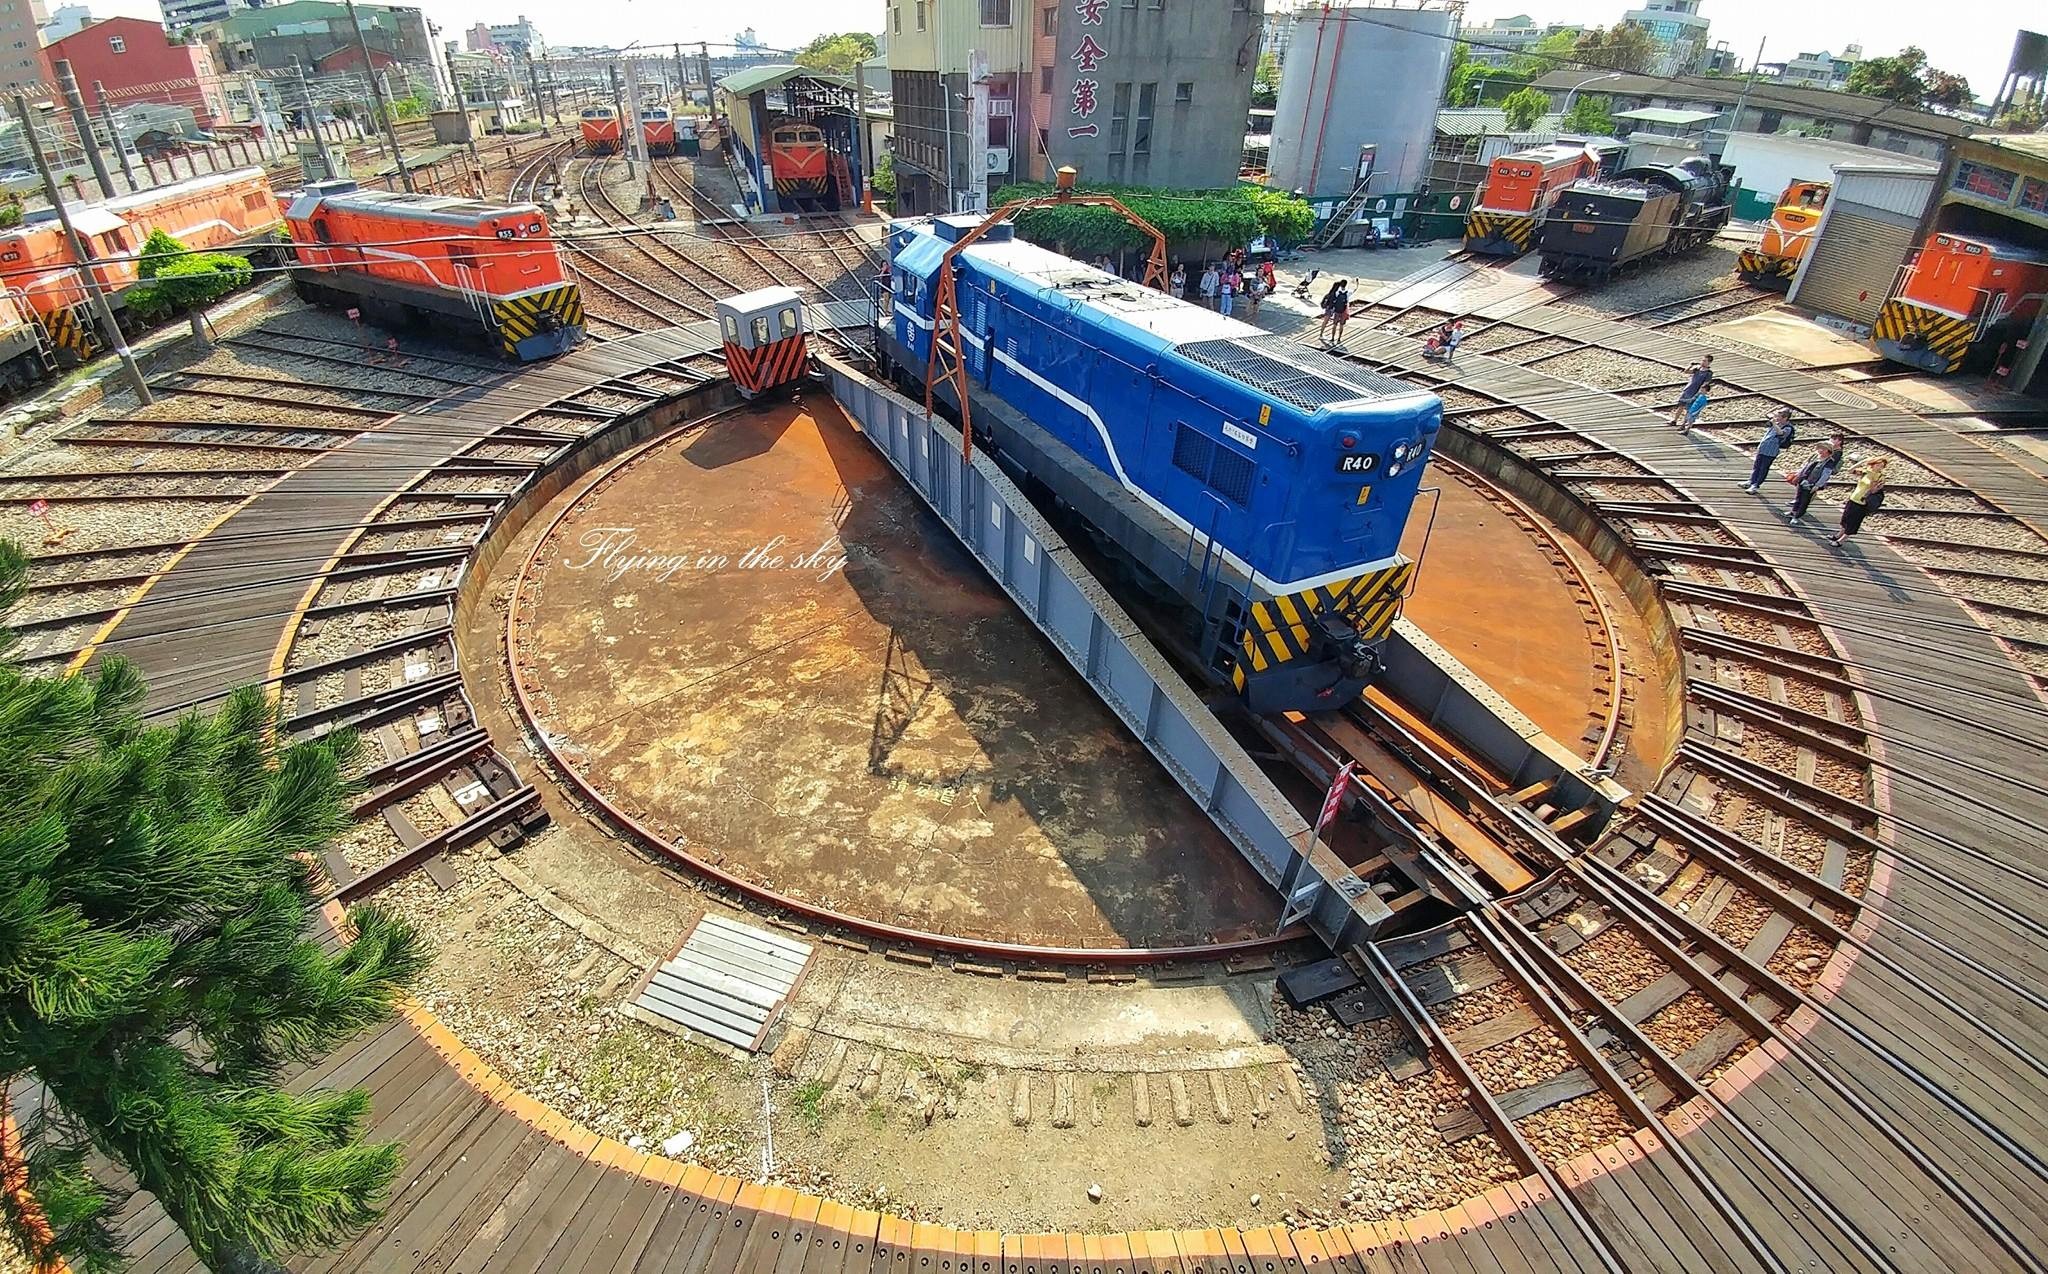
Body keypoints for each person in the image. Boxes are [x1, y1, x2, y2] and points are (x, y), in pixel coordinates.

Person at [1831, 455, 1889, 546]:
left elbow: (1874, 490)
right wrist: (1862, 462)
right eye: (1878, 465)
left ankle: (1841, 541)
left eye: (1882, 466)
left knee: (1854, 522)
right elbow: (1850, 470)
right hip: (1854, 498)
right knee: (1845, 518)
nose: (1879, 468)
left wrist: (1872, 481)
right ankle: (1838, 535)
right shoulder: (1866, 472)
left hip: (1863, 502)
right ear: (1873, 464)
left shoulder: (1880, 477)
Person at [1786, 436, 1843, 522]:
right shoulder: (1815, 457)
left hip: (1811, 483)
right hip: (1804, 479)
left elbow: (1825, 475)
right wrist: (1799, 475)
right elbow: (1806, 466)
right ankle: (1793, 512)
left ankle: (1797, 516)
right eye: (1820, 448)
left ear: (1827, 451)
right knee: (1798, 497)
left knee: (1804, 501)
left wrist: (1817, 485)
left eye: (1822, 449)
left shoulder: (1829, 462)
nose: (1819, 450)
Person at [1744, 407, 1798, 493]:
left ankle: (1756, 485)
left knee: (1763, 469)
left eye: (1779, 417)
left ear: (1785, 418)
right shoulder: (1776, 423)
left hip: (1771, 452)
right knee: (1756, 466)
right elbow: (1766, 414)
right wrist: (1774, 409)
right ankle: (1751, 481)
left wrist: (1774, 424)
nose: (1776, 418)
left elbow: (1781, 433)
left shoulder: (1788, 428)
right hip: (1763, 448)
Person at [1671, 355, 1714, 427]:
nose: (1702, 362)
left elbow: (1705, 383)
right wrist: (1690, 365)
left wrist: (1699, 393)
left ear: (1709, 362)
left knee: (1689, 408)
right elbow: (1686, 371)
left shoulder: (1708, 373)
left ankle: (1683, 424)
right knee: (1681, 405)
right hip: (1688, 389)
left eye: (1705, 361)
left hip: (1695, 392)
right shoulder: (1697, 369)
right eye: (1702, 360)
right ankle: (1674, 420)